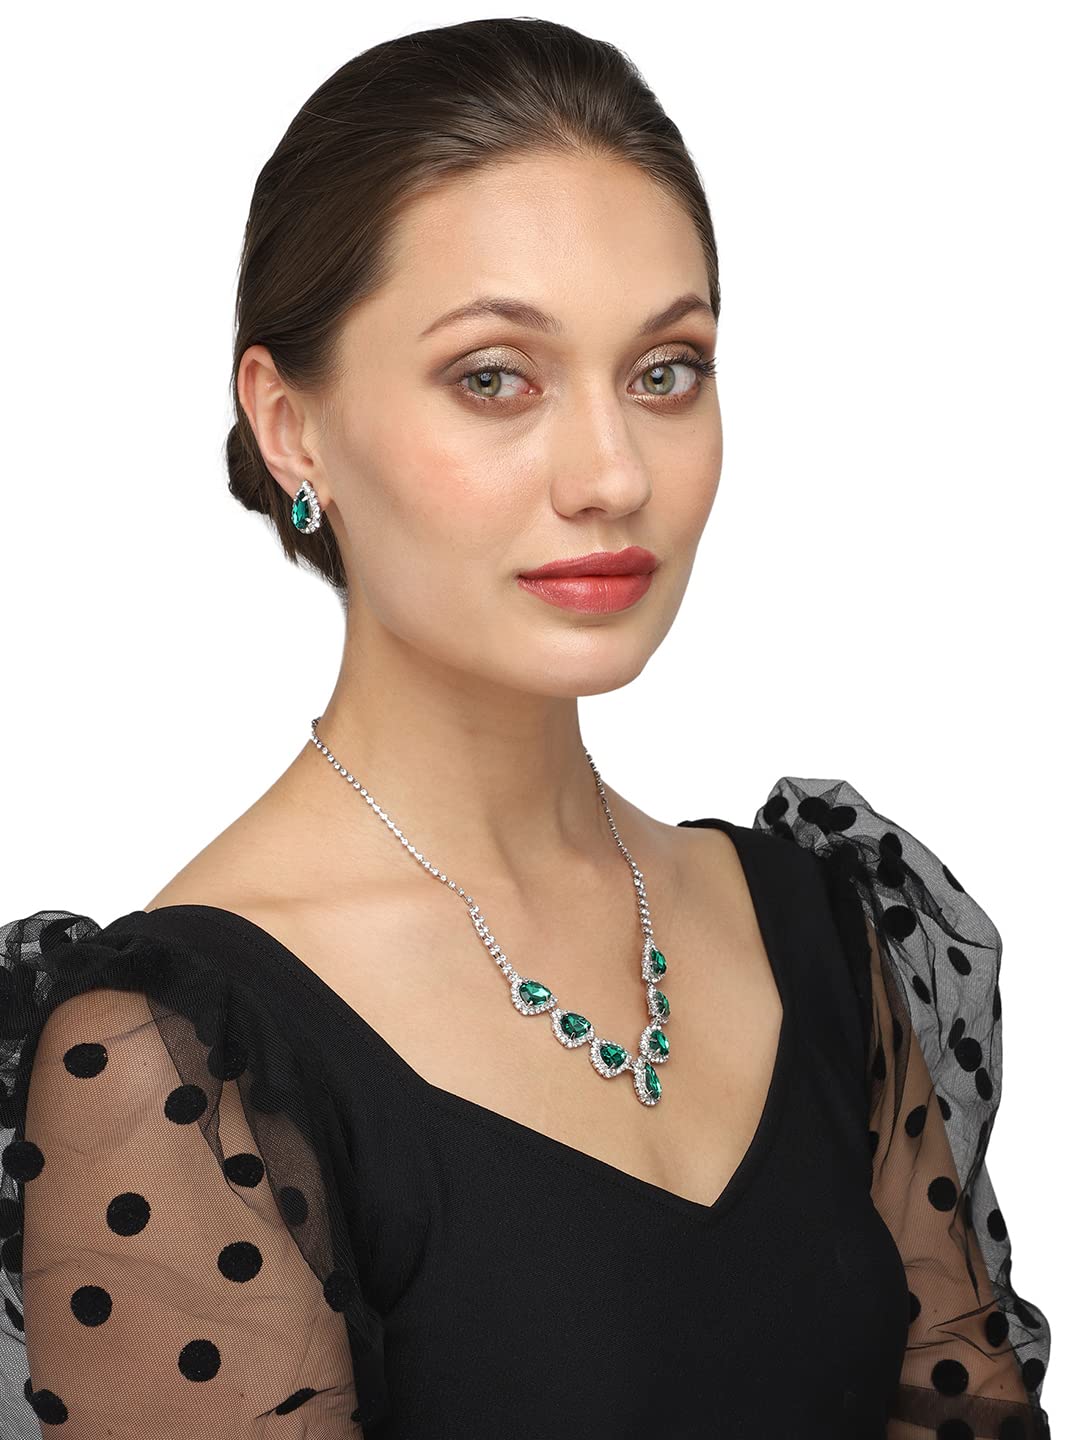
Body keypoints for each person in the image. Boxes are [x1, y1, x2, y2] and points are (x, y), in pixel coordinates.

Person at [0, 17, 1051, 1440]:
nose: (613, 474)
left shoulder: (821, 929)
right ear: (291, 425)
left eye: (665, 370)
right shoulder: (179, 1058)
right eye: (495, 376)